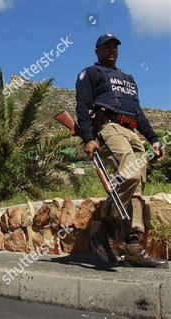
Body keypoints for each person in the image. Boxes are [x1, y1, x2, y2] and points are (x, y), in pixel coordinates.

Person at [75, 33, 167, 269]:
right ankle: (104, 223)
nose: (112, 50)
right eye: (106, 47)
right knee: (131, 174)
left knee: (137, 187)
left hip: (133, 132)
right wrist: (87, 137)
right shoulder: (91, 73)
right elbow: (83, 106)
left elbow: (140, 113)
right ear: (97, 51)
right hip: (109, 127)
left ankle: (133, 244)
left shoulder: (128, 79)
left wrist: (154, 140)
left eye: (115, 46)